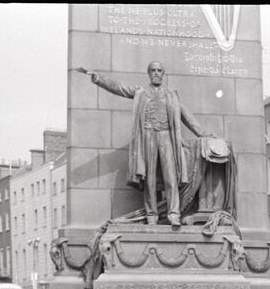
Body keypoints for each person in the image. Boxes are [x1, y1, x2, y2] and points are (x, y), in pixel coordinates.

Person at [79, 61, 208, 228]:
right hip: (147, 136)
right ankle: (151, 215)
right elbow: (120, 88)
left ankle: (174, 214)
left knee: (171, 178)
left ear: (163, 73)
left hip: (166, 137)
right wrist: (97, 78)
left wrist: (203, 134)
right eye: (153, 70)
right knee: (150, 180)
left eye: (159, 70)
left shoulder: (171, 94)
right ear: (149, 73)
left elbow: (186, 115)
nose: (156, 73)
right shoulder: (141, 92)